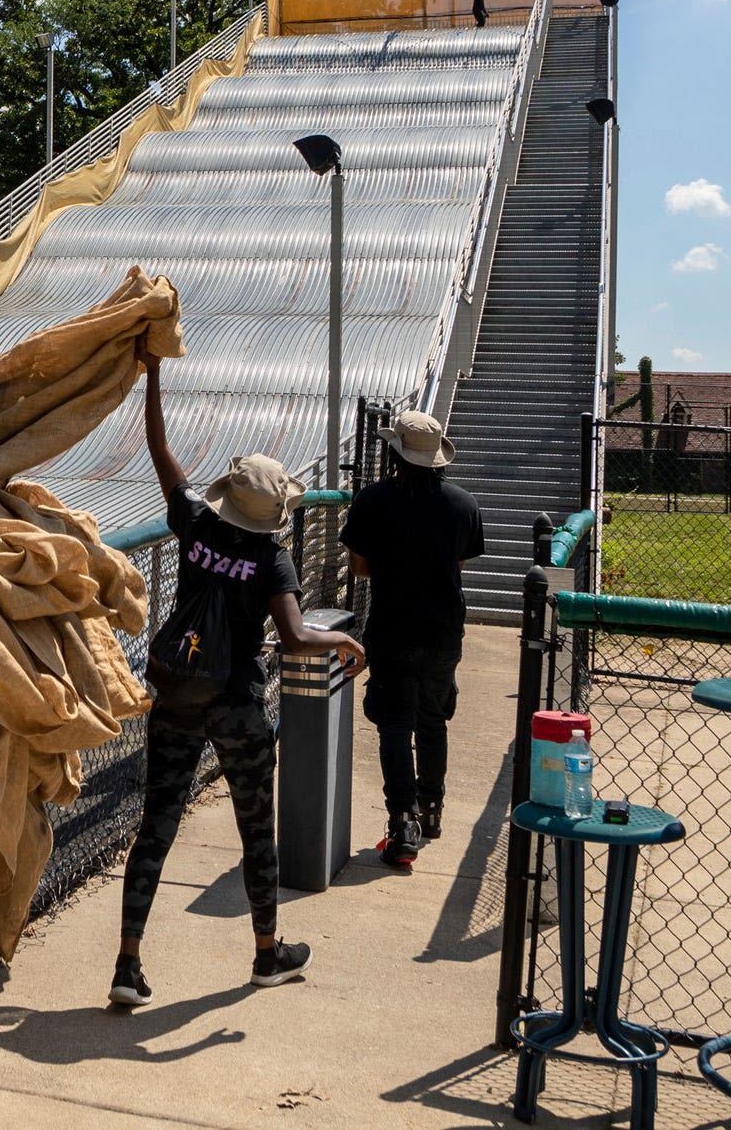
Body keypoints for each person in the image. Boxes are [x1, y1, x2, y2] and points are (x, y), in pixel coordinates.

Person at [110, 337, 365, 1008]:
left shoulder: (195, 525)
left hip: (177, 692)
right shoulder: (272, 561)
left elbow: (160, 451)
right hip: (236, 703)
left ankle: (127, 966)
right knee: (257, 830)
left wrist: (154, 373)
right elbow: (291, 635)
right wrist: (340, 645)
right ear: (274, 514)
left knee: (155, 825)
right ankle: (266, 953)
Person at [340, 410, 484, 868]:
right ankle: (432, 808)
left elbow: (360, 567)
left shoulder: (372, 501)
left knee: (395, 725)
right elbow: (457, 567)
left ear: (394, 452)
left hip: (392, 627)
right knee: (433, 718)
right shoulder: (464, 504)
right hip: (443, 631)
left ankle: (402, 820)